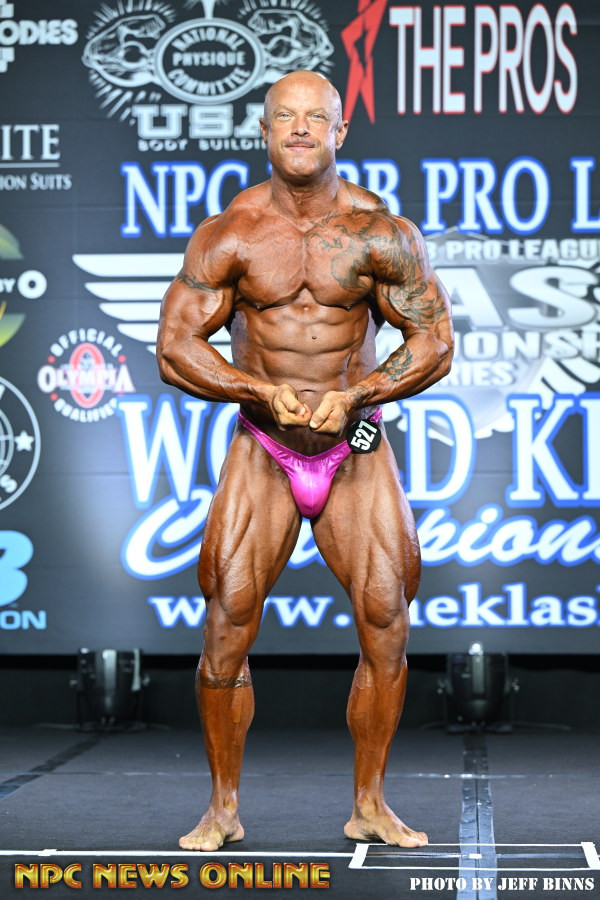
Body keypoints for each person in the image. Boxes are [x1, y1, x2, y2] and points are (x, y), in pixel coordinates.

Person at [157, 69, 453, 852]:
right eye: (284, 117)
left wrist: (359, 395)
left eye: (314, 117)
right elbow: (175, 347)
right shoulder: (231, 233)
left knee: (387, 621)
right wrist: (257, 389)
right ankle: (222, 807)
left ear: (338, 131)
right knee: (226, 624)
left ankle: (370, 804)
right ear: (263, 131)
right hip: (264, 444)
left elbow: (434, 341)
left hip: (355, 444)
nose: (299, 128)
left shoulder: (379, 232)